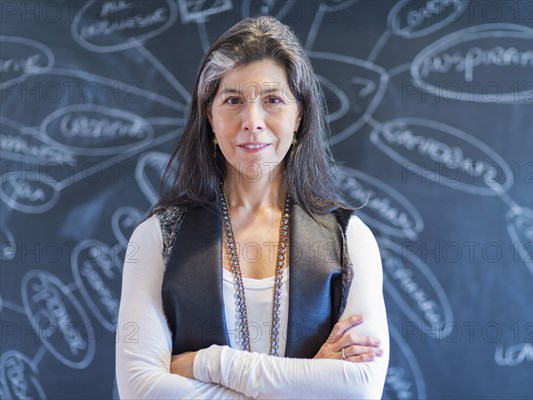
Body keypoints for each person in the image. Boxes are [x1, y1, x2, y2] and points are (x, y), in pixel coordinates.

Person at [115, 16, 389, 399]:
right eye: (233, 100)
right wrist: (309, 380)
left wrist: (203, 364)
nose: (252, 121)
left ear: (300, 115)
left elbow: (359, 389)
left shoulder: (349, 239)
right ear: (209, 116)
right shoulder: (156, 240)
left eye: (273, 100)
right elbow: (141, 390)